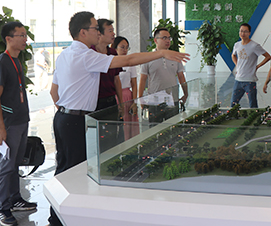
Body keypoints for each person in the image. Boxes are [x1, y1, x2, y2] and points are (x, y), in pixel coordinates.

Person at [48, 12, 189, 225]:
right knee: (73, 171)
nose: (98, 32)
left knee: (65, 168)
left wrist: (67, 111)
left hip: (63, 118)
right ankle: (64, 219)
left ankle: (58, 217)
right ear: (83, 32)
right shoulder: (85, 56)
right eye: (95, 28)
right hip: (75, 120)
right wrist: (161, 54)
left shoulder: (65, 54)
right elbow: (129, 59)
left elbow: (54, 91)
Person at [0, 21, 37, 226]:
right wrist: (1, 127)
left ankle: (14, 199)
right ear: (9, 39)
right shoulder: (1, 63)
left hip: (21, 120)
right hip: (10, 123)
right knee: (6, 166)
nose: (25, 39)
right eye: (21, 35)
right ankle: (1, 208)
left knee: (15, 163)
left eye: (25, 35)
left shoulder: (17, 60)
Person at [138, 28, 188, 106]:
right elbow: (143, 79)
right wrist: (141, 99)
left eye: (169, 38)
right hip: (154, 100)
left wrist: (186, 94)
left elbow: (181, 76)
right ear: (155, 40)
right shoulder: (148, 57)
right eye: (164, 38)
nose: (168, 41)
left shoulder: (175, 56)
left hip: (172, 99)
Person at [231, 23, 271, 108]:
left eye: (245, 31)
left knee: (252, 104)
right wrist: (237, 65)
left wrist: (257, 66)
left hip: (250, 80)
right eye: (241, 31)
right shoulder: (237, 45)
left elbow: (268, 57)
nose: (243, 33)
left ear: (249, 33)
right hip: (238, 79)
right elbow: (233, 55)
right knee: (233, 104)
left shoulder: (254, 46)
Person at [112, 36, 139, 140]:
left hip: (127, 96)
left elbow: (134, 84)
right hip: (114, 96)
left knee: (128, 124)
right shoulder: (111, 62)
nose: (125, 50)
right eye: (122, 47)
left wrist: (134, 101)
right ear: (115, 48)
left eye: (127, 47)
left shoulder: (130, 64)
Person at [93, 19, 122, 110]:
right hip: (93, 102)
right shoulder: (90, 53)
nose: (113, 34)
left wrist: (121, 103)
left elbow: (116, 79)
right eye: (110, 31)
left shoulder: (113, 52)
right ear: (99, 33)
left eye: (113, 30)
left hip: (111, 101)